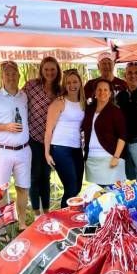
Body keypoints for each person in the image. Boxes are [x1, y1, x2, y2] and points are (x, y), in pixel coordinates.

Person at [0, 61, 30, 231]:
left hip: (24, 150)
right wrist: (5, 127)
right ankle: (1, 227)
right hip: (3, 151)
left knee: (23, 188)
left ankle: (22, 223)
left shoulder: (24, 96)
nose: (11, 77)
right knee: (1, 190)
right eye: (7, 74)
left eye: (14, 73)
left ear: (19, 76)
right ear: (1, 77)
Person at [22, 57, 62, 219]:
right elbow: (18, 101)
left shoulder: (60, 91)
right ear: (41, 70)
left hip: (50, 139)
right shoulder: (31, 85)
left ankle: (46, 211)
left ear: (57, 71)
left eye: (53, 69)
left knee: (45, 175)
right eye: (46, 69)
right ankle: (36, 212)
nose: (49, 72)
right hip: (32, 137)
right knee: (34, 175)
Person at [44, 69, 85, 208]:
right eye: (68, 82)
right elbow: (48, 130)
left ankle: (69, 214)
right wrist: (47, 153)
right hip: (60, 148)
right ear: (64, 85)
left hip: (76, 148)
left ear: (80, 82)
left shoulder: (83, 102)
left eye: (75, 82)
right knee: (71, 188)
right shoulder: (59, 102)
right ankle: (65, 218)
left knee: (78, 186)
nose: (72, 85)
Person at [81, 79, 127, 186]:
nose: (102, 92)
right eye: (99, 89)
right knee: (97, 195)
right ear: (95, 92)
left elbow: (122, 136)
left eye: (106, 90)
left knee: (111, 193)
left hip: (110, 158)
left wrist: (116, 157)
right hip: (91, 159)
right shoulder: (89, 109)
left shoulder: (115, 111)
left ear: (110, 93)